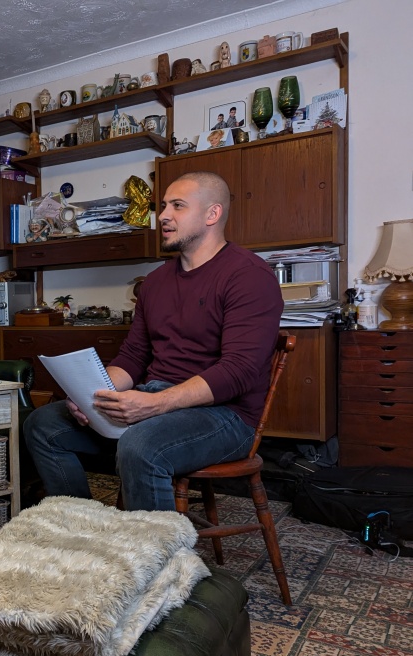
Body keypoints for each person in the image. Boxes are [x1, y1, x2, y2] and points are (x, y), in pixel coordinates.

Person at [23, 171, 282, 512]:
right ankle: (83, 526)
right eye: (162, 206)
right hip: (154, 398)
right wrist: (89, 397)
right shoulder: (156, 282)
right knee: (42, 425)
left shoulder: (248, 276)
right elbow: (133, 356)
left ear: (212, 214)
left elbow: (240, 371)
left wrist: (156, 405)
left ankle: (154, 559)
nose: (162, 215)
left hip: (226, 416)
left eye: (177, 206)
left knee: (141, 445)